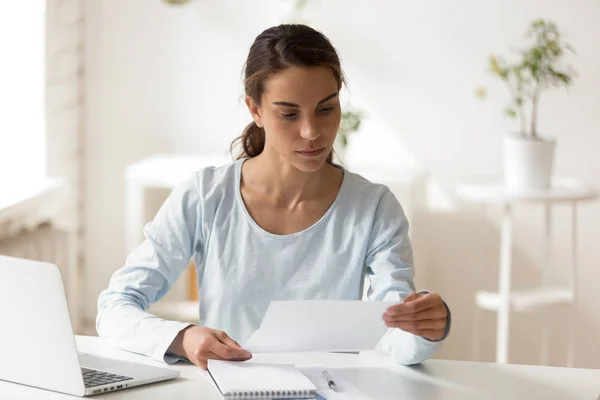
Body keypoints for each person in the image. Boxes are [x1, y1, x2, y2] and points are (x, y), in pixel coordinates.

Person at [97, 24, 451, 371]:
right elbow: (116, 307)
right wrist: (184, 338)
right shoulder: (205, 196)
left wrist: (426, 328)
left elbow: (394, 331)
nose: (312, 131)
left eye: (326, 109)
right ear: (255, 110)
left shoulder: (373, 208)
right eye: (289, 114)